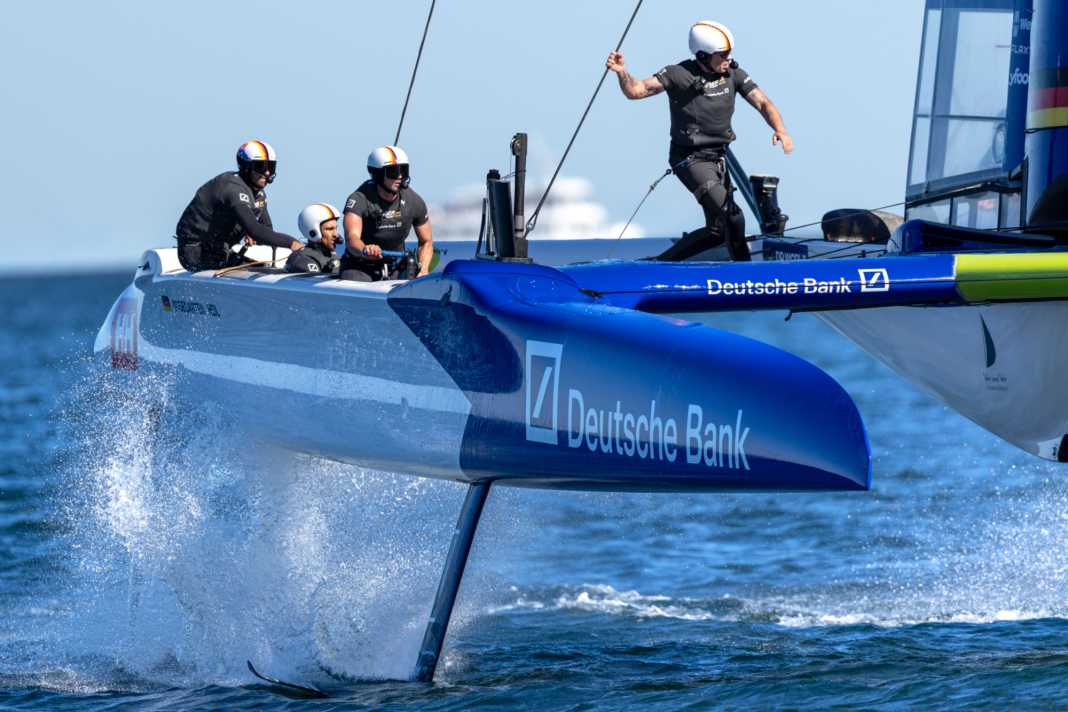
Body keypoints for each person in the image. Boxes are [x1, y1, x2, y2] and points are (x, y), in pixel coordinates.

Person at [607, 21, 794, 261]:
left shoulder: (733, 74)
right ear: (703, 55)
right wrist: (622, 72)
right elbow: (637, 90)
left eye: (730, 53)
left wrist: (781, 130)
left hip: (718, 158)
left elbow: (763, 103)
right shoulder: (678, 74)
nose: (728, 58)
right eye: (723, 54)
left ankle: (658, 265)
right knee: (733, 215)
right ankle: (745, 275)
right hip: (690, 159)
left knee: (717, 231)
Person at [175, 140, 304, 271]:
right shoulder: (233, 188)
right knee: (251, 271)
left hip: (219, 250)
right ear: (246, 167)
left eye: (270, 167)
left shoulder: (258, 195)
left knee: (261, 269)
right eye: (261, 167)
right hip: (195, 252)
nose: (266, 173)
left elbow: (266, 230)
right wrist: (292, 243)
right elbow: (255, 230)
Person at [339, 145, 433, 282]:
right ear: (377, 174)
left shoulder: (414, 200)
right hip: (360, 267)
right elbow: (351, 239)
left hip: (396, 266)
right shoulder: (359, 199)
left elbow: (426, 241)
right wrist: (365, 249)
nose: (400, 176)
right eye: (393, 172)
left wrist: (424, 269)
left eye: (404, 170)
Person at [286, 203, 342, 274]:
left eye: (336, 228)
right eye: (329, 229)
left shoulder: (336, 257)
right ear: (313, 232)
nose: (336, 234)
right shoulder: (302, 260)